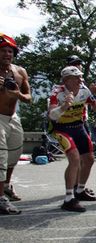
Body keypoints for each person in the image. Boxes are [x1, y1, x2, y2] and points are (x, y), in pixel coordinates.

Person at [48, 66, 96, 212]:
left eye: (80, 77)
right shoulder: (57, 92)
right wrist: (64, 106)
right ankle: (68, 198)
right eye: (77, 77)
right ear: (67, 80)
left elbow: (93, 100)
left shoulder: (84, 89)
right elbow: (51, 115)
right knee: (74, 158)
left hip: (78, 127)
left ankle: (80, 190)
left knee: (89, 159)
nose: (81, 80)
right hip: (62, 129)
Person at [0, 33, 32, 214]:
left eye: (10, 51)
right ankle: (0, 199)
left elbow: (29, 98)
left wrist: (17, 95)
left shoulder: (20, 72)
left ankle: (6, 186)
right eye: (3, 50)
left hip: (13, 117)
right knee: (1, 158)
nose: (7, 54)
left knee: (14, 153)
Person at [65, 55, 96, 199]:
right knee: (75, 159)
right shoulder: (65, 84)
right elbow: (67, 103)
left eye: (79, 64)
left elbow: (93, 101)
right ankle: (73, 189)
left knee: (86, 158)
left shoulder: (83, 86)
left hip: (82, 122)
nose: (77, 67)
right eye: (74, 65)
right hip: (67, 125)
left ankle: (79, 186)